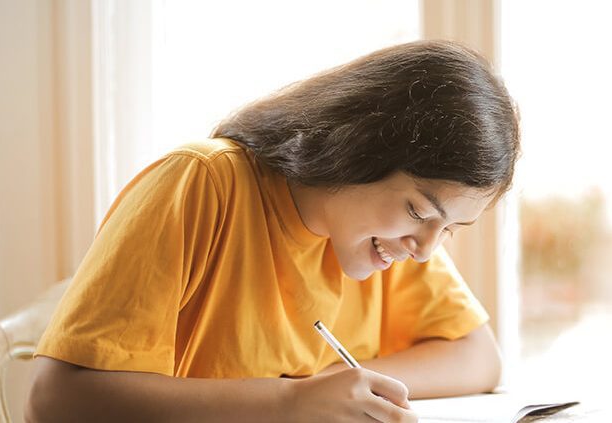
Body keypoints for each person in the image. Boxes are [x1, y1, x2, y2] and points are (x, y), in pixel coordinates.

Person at [26, 39, 520, 423]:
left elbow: (479, 357)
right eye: (418, 211)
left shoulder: (386, 241)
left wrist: (335, 387)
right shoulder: (201, 184)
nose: (425, 250)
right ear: (358, 149)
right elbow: (55, 398)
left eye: (449, 229)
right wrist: (287, 402)